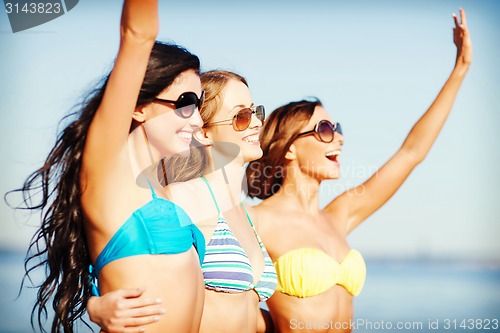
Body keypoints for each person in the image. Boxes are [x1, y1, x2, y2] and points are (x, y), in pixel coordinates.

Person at [244, 8, 472, 333]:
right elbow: (221, 294)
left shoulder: (340, 215)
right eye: (323, 129)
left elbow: (411, 153)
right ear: (290, 147)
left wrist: (460, 70)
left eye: (337, 128)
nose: (338, 137)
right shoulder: (255, 220)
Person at [11, 1, 206, 332]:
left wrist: (94, 303)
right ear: (139, 107)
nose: (198, 119)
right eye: (185, 104)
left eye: (198, 105)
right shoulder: (108, 169)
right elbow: (138, 34)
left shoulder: (160, 185)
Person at [87, 70, 277, 333]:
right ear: (204, 133)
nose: (256, 122)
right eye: (242, 116)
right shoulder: (182, 199)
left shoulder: (246, 214)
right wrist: (95, 305)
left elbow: (247, 310)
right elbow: (118, 251)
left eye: (256, 112)